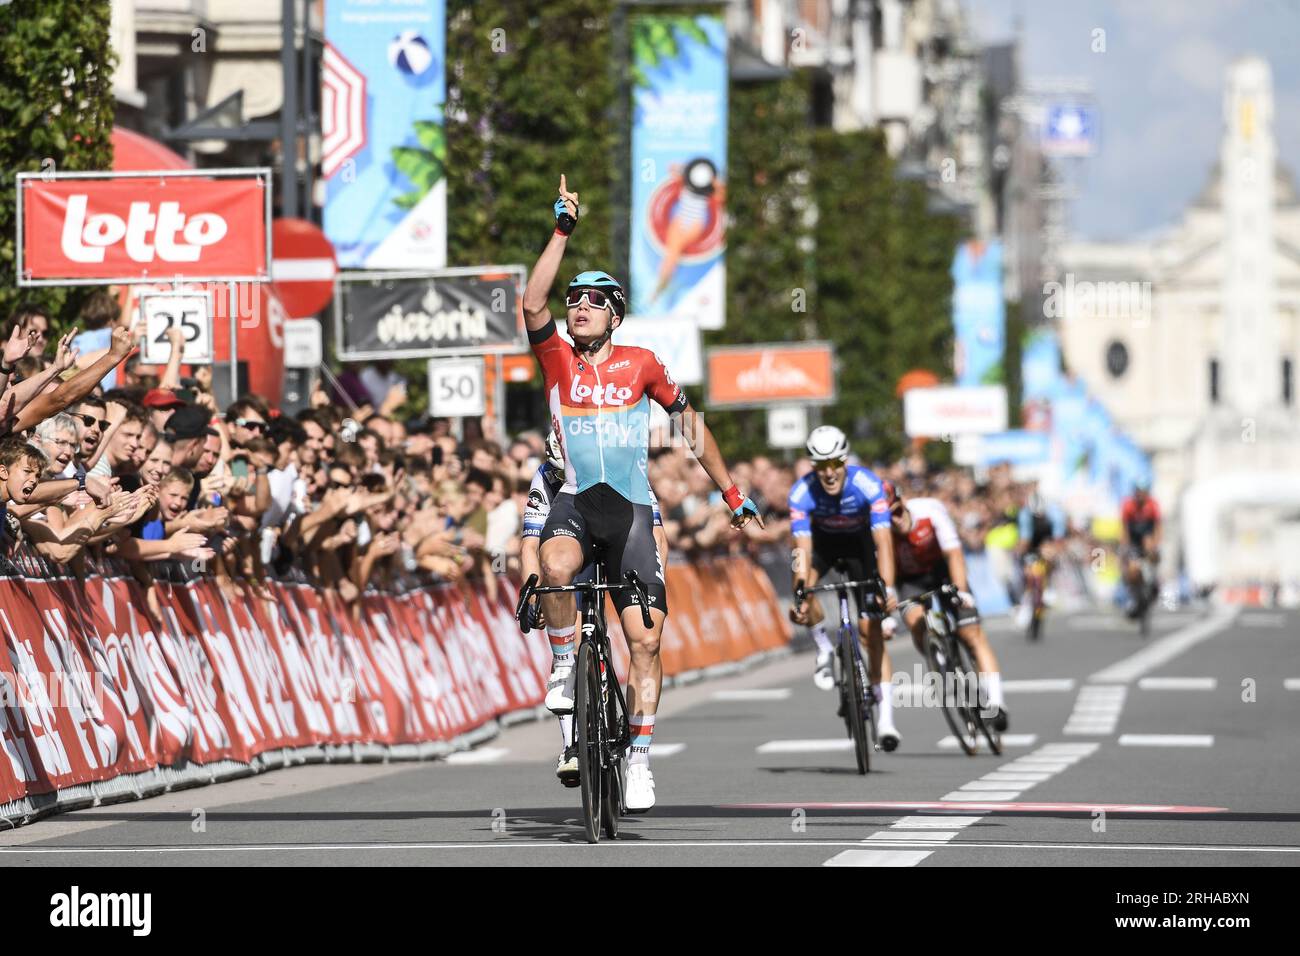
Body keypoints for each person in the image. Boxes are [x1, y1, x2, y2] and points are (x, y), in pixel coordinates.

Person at [521, 174, 761, 813]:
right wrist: (562, 230)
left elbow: (690, 424)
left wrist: (732, 493)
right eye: (575, 300)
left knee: (646, 641)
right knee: (554, 565)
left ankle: (642, 757)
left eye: (593, 301)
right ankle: (563, 667)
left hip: (629, 508)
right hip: (577, 500)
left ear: (616, 315)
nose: (578, 307)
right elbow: (530, 301)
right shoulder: (557, 362)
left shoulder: (641, 363)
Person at [787, 425, 901, 749]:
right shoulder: (801, 493)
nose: (829, 472)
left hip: (859, 546)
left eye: (835, 463)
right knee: (804, 591)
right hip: (822, 545)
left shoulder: (867, 484)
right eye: (821, 465)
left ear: (845, 460)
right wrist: (800, 591)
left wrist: (888, 588)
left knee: (871, 632)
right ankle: (823, 646)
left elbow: (884, 542)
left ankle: (887, 721)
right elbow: (802, 550)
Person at [883, 480, 1008, 730]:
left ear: (903, 503)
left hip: (944, 572)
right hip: (911, 580)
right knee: (915, 621)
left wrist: (962, 592)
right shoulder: (880, 533)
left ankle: (997, 702)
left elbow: (954, 554)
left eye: (896, 512)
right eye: (888, 518)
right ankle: (938, 659)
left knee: (972, 635)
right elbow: (883, 576)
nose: (895, 521)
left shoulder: (930, 511)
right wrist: (886, 614)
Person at [1120, 481, 1161, 616]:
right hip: (1134, 540)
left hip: (1148, 537)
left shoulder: (1153, 505)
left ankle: (1154, 582)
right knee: (1132, 570)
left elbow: (1157, 527)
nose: (1140, 496)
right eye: (1137, 492)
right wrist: (1125, 546)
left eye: (1142, 493)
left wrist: (1156, 544)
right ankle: (1134, 597)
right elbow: (1124, 529)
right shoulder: (1128, 506)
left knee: (1150, 546)